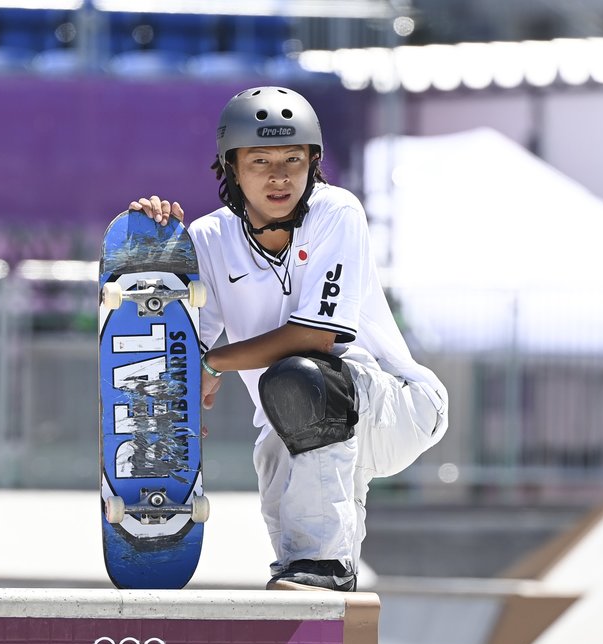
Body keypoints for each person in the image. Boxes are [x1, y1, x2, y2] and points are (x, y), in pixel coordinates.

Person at [130, 86, 448, 592]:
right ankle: (312, 579)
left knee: (300, 379)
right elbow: (183, 351)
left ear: (313, 162)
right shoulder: (210, 240)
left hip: (397, 404)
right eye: (260, 161)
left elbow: (318, 336)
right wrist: (154, 249)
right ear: (232, 167)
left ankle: (326, 565)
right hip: (289, 420)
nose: (278, 176)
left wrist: (214, 366)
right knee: (292, 526)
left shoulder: (336, 212)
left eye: (292, 160)